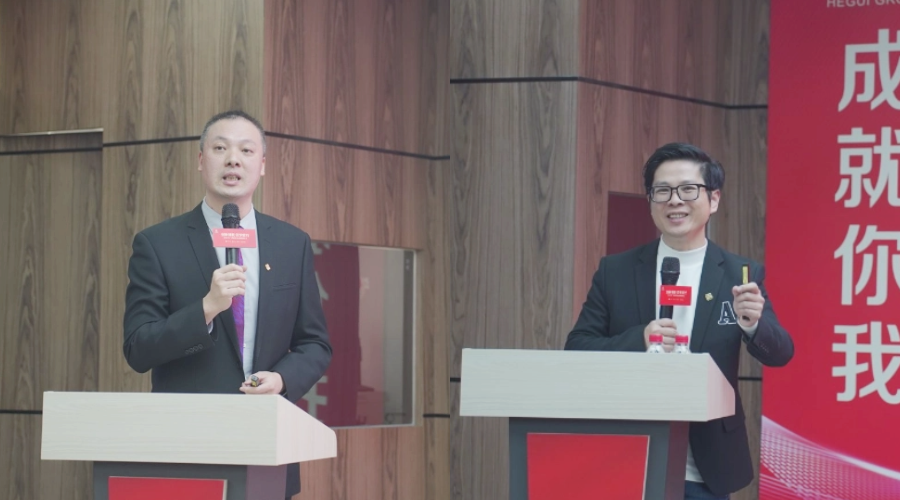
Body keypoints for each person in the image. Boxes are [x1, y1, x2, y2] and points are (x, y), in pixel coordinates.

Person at [565, 143, 794, 500]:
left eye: (688, 189)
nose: (675, 201)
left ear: (713, 199)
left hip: (706, 467)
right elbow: (577, 349)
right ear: (650, 201)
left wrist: (752, 324)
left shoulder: (739, 273)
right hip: (628, 458)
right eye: (662, 191)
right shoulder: (616, 271)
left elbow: (781, 353)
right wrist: (640, 339)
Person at [123, 110, 332, 499]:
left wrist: (282, 380)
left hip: (266, 442)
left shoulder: (292, 243)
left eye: (246, 150)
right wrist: (206, 308)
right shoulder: (158, 244)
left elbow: (315, 343)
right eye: (220, 148)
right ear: (201, 160)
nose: (233, 159)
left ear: (262, 165)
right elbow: (138, 347)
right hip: (187, 444)